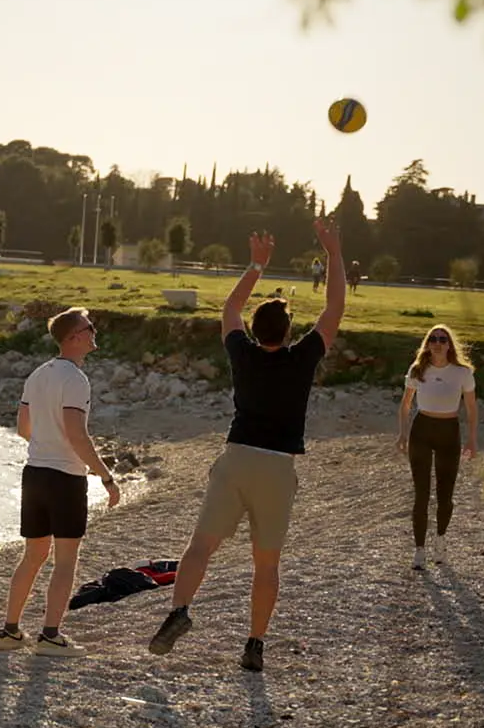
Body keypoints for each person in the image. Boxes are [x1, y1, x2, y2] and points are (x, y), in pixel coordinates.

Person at [148, 219, 345, 670]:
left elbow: (229, 308)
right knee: (266, 564)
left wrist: (257, 264)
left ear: (255, 331)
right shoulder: (303, 359)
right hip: (277, 468)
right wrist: (332, 253)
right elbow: (336, 305)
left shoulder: (241, 353)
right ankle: (255, 644)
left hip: (236, 458)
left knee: (200, 547)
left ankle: (178, 611)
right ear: (289, 331)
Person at [0, 307, 121, 657]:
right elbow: (76, 434)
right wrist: (106, 477)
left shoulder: (38, 375)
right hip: (65, 479)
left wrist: (45, 445)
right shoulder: (75, 380)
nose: (93, 332)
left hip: (34, 473)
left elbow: (24, 428)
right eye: (89, 327)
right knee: (65, 560)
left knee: (33, 556)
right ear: (73, 338)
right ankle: (51, 636)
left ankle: (9, 631)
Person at [397, 325, 478, 571]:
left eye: (443, 339)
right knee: (421, 494)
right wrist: (403, 433)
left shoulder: (463, 373)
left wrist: (472, 440)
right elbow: (405, 405)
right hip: (422, 430)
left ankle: (440, 540)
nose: (438, 343)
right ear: (427, 343)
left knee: (445, 495)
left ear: (450, 344)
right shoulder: (417, 370)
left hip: (449, 432)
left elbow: (472, 410)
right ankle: (419, 550)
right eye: (433, 339)